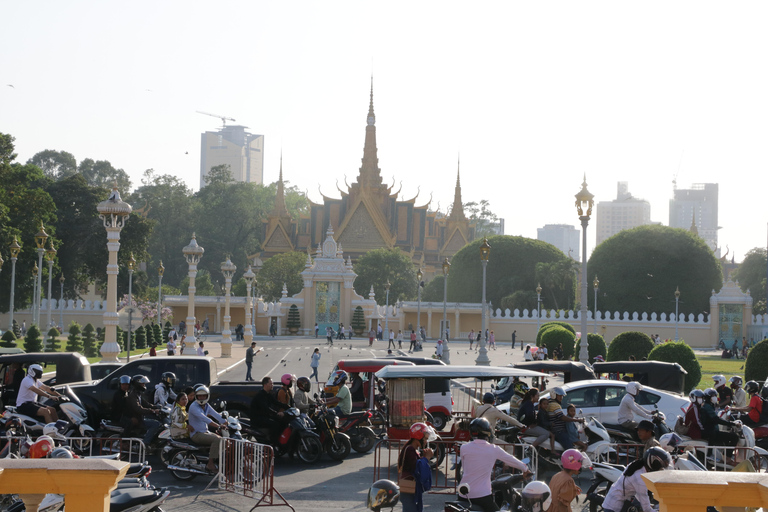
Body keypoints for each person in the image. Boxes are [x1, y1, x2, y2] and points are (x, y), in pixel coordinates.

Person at [459, 418, 530, 512]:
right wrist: (525, 469)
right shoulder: (493, 449)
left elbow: (466, 468)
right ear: (488, 433)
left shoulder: (464, 448)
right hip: (482, 495)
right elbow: (511, 460)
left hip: (463, 494)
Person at [601, 447, 671, 512]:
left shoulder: (639, 465)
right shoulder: (639, 477)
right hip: (614, 506)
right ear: (654, 463)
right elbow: (646, 509)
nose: (661, 468)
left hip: (619, 500)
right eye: (661, 466)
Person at [398, 422, 436, 512]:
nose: (426, 441)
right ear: (419, 436)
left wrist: (423, 457)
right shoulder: (410, 449)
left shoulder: (412, 449)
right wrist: (426, 458)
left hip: (411, 489)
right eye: (425, 439)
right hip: (408, 489)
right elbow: (417, 468)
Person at [188, 385, 226, 473]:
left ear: (207, 396)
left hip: (205, 432)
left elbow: (217, 415)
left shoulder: (206, 406)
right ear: (196, 397)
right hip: (196, 434)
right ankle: (210, 464)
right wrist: (219, 426)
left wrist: (227, 422)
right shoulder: (194, 406)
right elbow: (205, 419)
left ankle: (217, 460)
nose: (201, 398)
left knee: (225, 440)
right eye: (199, 396)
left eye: (203, 396)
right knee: (217, 439)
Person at [124, 375, 161, 447]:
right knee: (156, 424)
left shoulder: (137, 393)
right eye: (142, 384)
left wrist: (156, 407)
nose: (144, 385)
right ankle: (145, 443)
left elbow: (145, 403)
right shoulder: (132, 395)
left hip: (140, 417)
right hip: (137, 419)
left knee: (155, 420)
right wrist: (153, 411)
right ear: (137, 384)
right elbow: (138, 409)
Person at [250, 376, 289, 442]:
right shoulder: (260, 396)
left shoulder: (268, 394)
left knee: (283, 421)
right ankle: (273, 442)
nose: (272, 385)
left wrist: (289, 407)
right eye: (271, 383)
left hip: (265, 416)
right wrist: (277, 413)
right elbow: (266, 409)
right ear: (265, 385)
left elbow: (276, 403)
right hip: (258, 419)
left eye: (272, 383)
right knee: (275, 424)